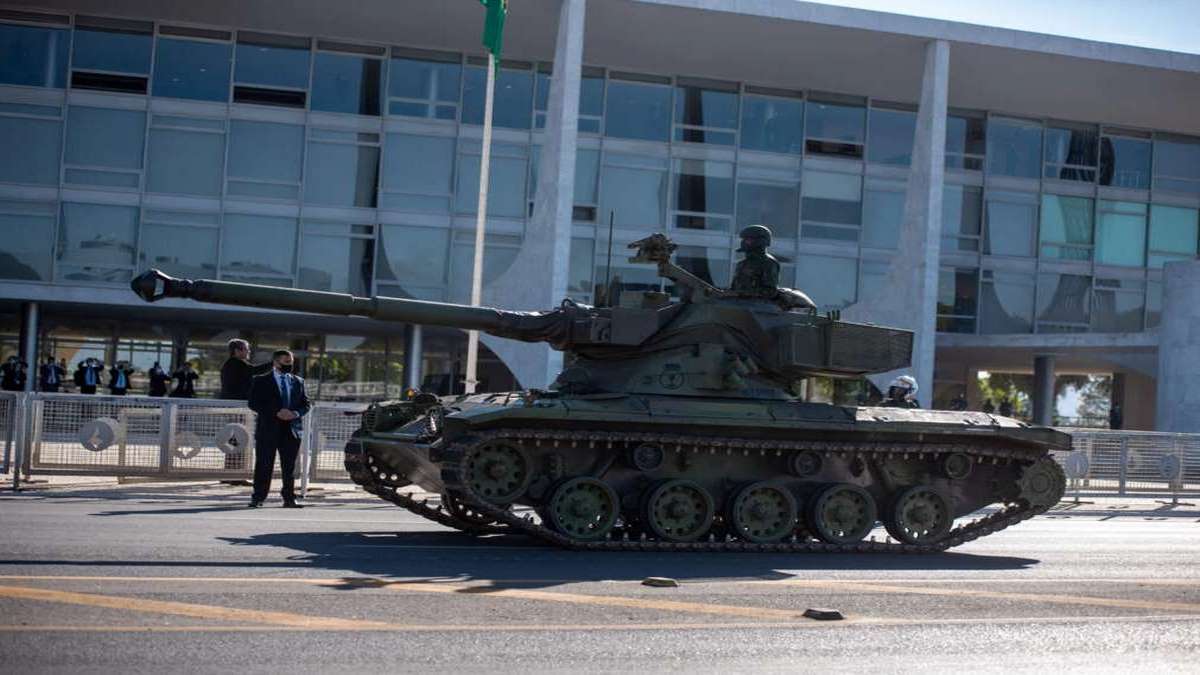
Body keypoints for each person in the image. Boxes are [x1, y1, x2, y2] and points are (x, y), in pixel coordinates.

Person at [247, 350, 310, 508]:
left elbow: (306, 404)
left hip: (291, 429)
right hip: (268, 429)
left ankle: (289, 498)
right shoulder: (261, 380)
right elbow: (254, 403)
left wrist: (294, 413)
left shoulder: (298, 381)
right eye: (285, 362)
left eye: (291, 362)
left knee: (289, 467)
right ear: (275, 362)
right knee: (264, 464)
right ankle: (258, 497)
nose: (289, 365)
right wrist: (276, 412)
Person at [730, 225, 781, 295]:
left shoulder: (768, 263)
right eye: (744, 239)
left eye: (748, 239)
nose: (744, 242)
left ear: (760, 241)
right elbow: (734, 288)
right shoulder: (741, 264)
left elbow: (770, 291)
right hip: (738, 304)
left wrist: (743, 294)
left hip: (758, 304)